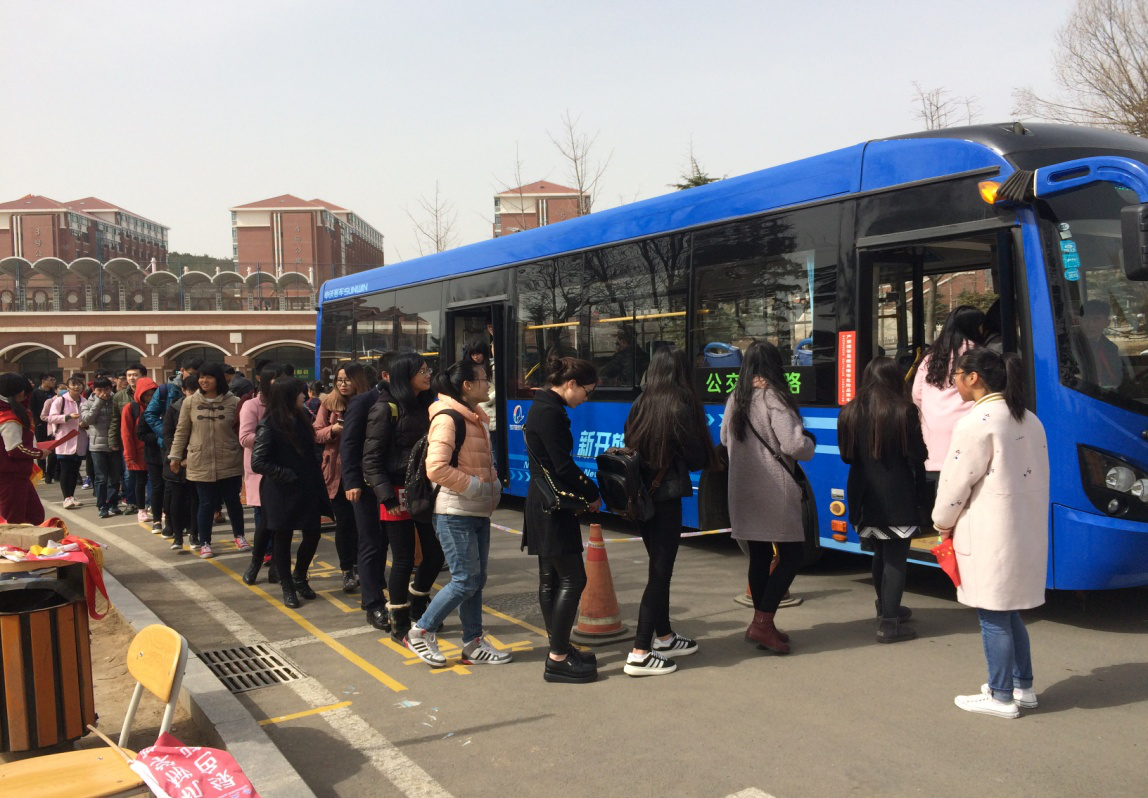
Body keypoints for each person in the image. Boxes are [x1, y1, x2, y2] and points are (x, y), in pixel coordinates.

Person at [932, 348, 1049, 719]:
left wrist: (942, 523)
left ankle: (1001, 696)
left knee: (993, 615)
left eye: (956, 375)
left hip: (989, 531)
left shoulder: (977, 421)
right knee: (1009, 612)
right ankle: (1022, 686)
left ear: (973, 378)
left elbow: (955, 483)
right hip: (1023, 529)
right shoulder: (1028, 418)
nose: (954, 382)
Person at [404, 358, 508, 668]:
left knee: (476, 580)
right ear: (467, 385)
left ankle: (473, 643)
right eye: (484, 379)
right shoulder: (448, 418)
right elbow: (436, 468)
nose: (488, 385)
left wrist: (492, 485)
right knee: (464, 580)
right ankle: (421, 631)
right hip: (454, 512)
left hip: (476, 510)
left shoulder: (475, 417)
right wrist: (476, 487)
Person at [622, 347, 714, 676]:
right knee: (660, 573)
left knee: (658, 569)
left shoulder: (641, 402)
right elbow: (697, 458)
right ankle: (640, 652)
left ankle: (664, 636)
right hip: (666, 498)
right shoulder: (681, 404)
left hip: (641, 498)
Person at [721, 340, 815, 654]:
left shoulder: (736, 397)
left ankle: (763, 623)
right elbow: (794, 445)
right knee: (792, 556)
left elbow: (724, 438)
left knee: (760, 557)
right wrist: (810, 442)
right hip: (773, 488)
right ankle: (762, 624)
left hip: (743, 489)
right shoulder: (773, 397)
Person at [522, 357, 603, 683]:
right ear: (571, 384)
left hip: (542, 500)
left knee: (551, 579)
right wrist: (593, 491)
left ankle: (560, 647)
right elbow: (563, 466)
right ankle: (557, 656)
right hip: (552, 506)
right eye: (587, 391)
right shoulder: (550, 413)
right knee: (573, 579)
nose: (586, 398)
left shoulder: (543, 405)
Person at [838, 356, 928, 644]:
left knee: (880, 553)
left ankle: (885, 608)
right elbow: (918, 455)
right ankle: (889, 624)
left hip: (863, 495)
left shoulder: (849, 411)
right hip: (898, 495)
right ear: (895, 379)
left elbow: (847, 457)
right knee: (896, 559)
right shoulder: (905, 410)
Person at [362, 353, 446, 643]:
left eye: (427, 369)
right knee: (403, 559)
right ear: (403, 376)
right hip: (395, 494)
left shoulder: (429, 404)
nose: (428, 374)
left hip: (423, 491)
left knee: (434, 554)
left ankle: (419, 604)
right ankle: (398, 619)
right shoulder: (385, 408)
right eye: (421, 371)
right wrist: (387, 498)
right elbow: (370, 461)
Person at [251, 378, 328, 609]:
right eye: (300, 393)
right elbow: (258, 462)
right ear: (288, 396)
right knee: (282, 539)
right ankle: (287, 586)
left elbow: (312, 447)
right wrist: (286, 474)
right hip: (281, 490)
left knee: (313, 534)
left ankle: (300, 576)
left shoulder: (302, 418)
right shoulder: (269, 424)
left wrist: (316, 459)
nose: (304, 396)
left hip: (307, 487)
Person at [167, 362, 249, 559]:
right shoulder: (190, 402)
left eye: (209, 377)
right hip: (200, 459)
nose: (204, 381)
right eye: (201, 377)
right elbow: (181, 431)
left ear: (218, 379)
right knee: (206, 503)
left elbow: (241, 431)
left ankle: (239, 536)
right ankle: (204, 542)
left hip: (228, 458)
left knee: (232, 500)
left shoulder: (234, 401)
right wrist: (175, 456)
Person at [340, 359, 390, 629]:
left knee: (386, 541)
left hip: (390, 483)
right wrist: (352, 481)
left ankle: (378, 588)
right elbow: (348, 445)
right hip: (365, 485)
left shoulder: (408, 399)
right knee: (370, 541)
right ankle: (372, 602)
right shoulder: (363, 402)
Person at [912, 305, 984, 486]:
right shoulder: (978, 355)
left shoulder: (931, 356)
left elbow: (917, 394)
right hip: (967, 434)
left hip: (933, 436)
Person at [314, 363, 368, 595]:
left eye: (347, 380)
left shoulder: (368, 401)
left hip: (362, 470)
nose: (343, 384)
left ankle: (361, 567)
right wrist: (332, 430)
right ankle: (347, 570)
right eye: (339, 380)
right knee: (345, 523)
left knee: (363, 524)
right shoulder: (328, 404)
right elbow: (316, 433)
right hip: (336, 472)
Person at [239, 366, 281, 582]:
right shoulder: (252, 405)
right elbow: (245, 438)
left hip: (283, 471)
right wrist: (274, 438)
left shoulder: (289, 406)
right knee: (264, 519)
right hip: (262, 470)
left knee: (281, 521)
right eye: (275, 379)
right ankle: (260, 558)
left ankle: (277, 564)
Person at [0, 373, 46, 525]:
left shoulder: (11, 410)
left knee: (34, 515)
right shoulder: (8, 417)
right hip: (9, 475)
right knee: (12, 520)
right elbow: (14, 449)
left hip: (17, 474)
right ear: (21, 393)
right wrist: (39, 453)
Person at [162, 376, 201, 551]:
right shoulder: (174, 408)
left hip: (197, 459)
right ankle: (177, 537)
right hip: (176, 462)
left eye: (196, 390)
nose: (192, 394)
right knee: (176, 500)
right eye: (189, 390)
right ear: (183, 391)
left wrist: (191, 457)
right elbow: (168, 435)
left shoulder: (203, 408)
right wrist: (178, 457)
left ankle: (194, 534)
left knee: (195, 500)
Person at [45, 376, 90, 508]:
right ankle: (66, 497)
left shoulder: (85, 401)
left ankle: (71, 495)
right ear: (68, 387)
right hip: (65, 439)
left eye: (79, 384)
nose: (76, 387)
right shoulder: (61, 401)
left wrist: (85, 424)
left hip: (80, 439)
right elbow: (51, 418)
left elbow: (89, 419)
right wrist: (67, 417)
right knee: (65, 469)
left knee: (75, 470)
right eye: (73, 384)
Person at [82, 377, 123, 519]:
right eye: (99, 390)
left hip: (115, 444)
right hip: (97, 446)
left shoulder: (116, 400)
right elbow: (87, 420)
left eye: (106, 389)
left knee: (115, 477)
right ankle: (102, 506)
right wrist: (99, 401)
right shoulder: (87, 403)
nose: (103, 393)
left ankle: (113, 504)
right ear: (94, 390)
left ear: (111, 388)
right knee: (101, 478)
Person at [121, 377, 159, 525]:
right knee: (140, 481)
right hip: (138, 452)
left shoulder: (159, 406)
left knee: (156, 482)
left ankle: (156, 507)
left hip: (156, 450)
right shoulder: (131, 408)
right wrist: (129, 454)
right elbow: (126, 433)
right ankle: (141, 509)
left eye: (152, 394)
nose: (150, 397)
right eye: (147, 394)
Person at [109, 363, 145, 514]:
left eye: (135, 375)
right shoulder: (120, 396)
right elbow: (115, 419)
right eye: (129, 375)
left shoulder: (151, 392)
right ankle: (131, 502)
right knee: (129, 473)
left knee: (149, 474)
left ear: (143, 376)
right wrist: (113, 440)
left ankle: (149, 502)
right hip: (128, 440)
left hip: (146, 440)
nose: (131, 378)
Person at [1074, 298, 1132, 390]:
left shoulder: (1111, 348)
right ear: (1079, 321)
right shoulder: (1070, 346)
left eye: (1097, 319)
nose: (1091, 324)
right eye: (1086, 319)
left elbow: (1118, 377)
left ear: (1107, 323)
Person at [30, 373, 58, 484]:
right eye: (51, 380)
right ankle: (42, 471)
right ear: (43, 381)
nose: (53, 382)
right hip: (40, 424)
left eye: (54, 380)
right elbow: (32, 408)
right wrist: (37, 422)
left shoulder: (53, 393)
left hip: (52, 424)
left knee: (52, 448)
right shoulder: (35, 393)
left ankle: (51, 472)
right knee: (41, 447)